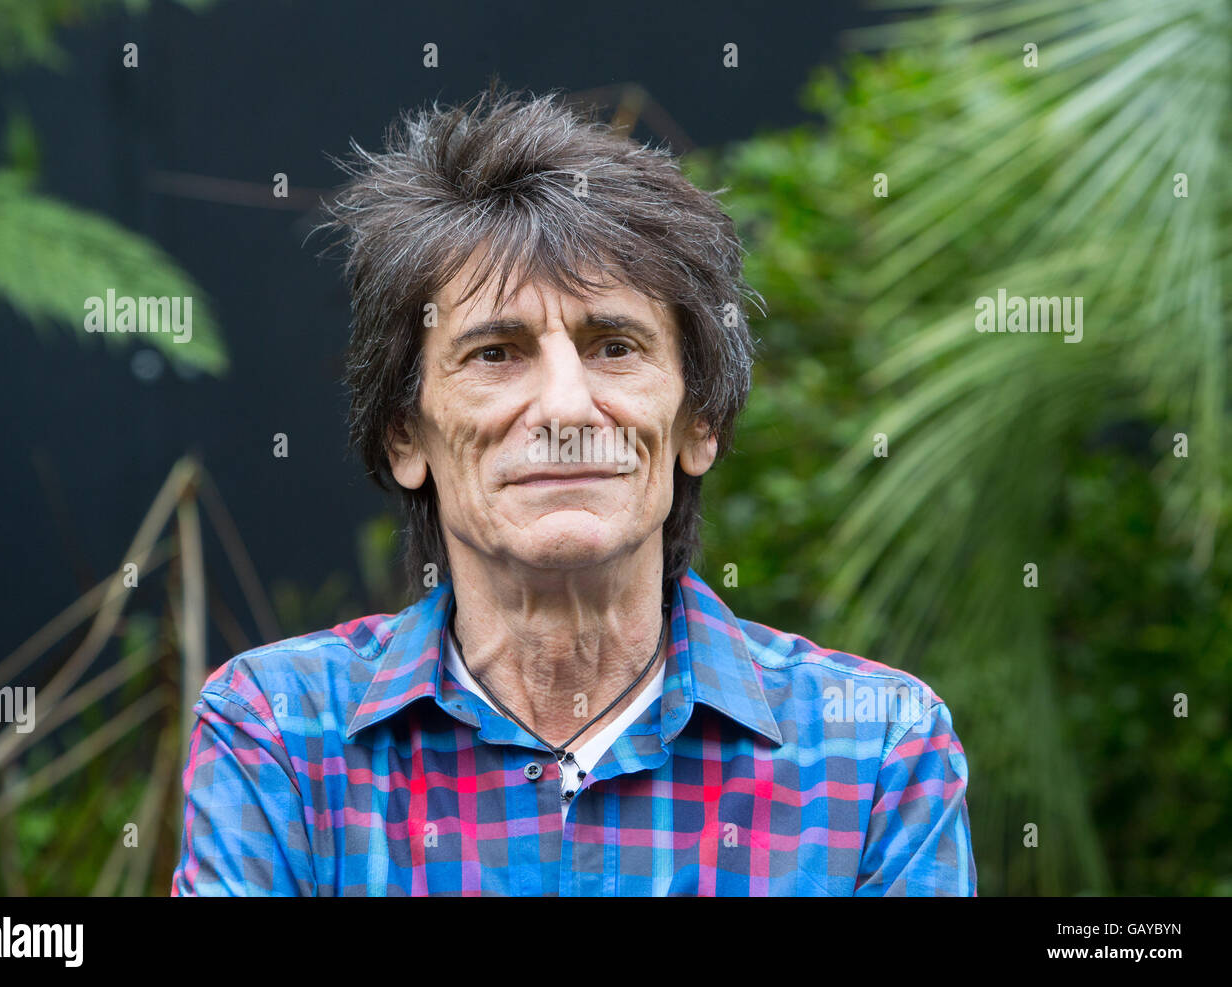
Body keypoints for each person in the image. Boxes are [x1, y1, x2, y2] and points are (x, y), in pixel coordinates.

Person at [170, 88, 976, 896]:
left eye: (615, 345)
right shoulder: (278, 732)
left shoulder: (875, 752)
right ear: (404, 436)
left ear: (700, 421)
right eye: (496, 352)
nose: (565, 406)